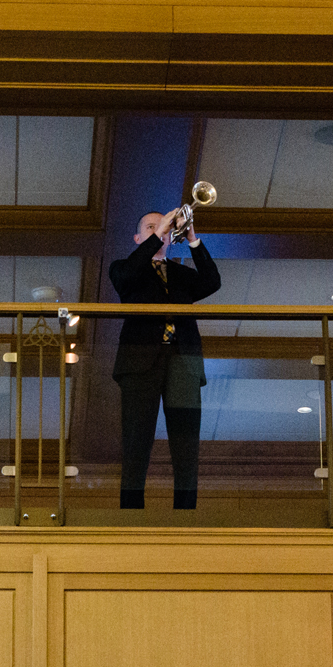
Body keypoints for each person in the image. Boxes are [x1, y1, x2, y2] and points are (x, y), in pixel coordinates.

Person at [108, 207, 222, 510]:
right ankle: (131, 514)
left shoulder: (182, 275)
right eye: (150, 227)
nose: (158, 231)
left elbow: (211, 282)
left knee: (186, 445)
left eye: (164, 228)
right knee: (136, 442)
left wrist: (192, 236)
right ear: (137, 238)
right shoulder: (124, 268)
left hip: (182, 360)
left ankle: (186, 514)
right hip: (139, 362)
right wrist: (160, 233)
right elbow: (127, 276)